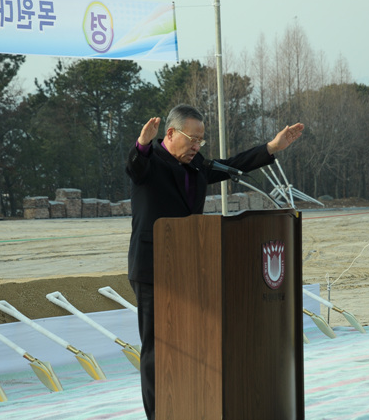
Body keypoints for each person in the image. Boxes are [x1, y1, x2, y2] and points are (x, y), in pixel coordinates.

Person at [125, 103, 304, 420]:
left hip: (192, 266)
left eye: (201, 140)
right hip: (153, 271)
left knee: (191, 341)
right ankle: (157, 414)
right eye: (192, 139)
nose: (197, 146)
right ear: (170, 133)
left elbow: (232, 165)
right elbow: (136, 167)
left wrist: (272, 148)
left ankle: (189, 406)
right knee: (157, 348)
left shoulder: (196, 168)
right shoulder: (150, 162)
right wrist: (142, 143)